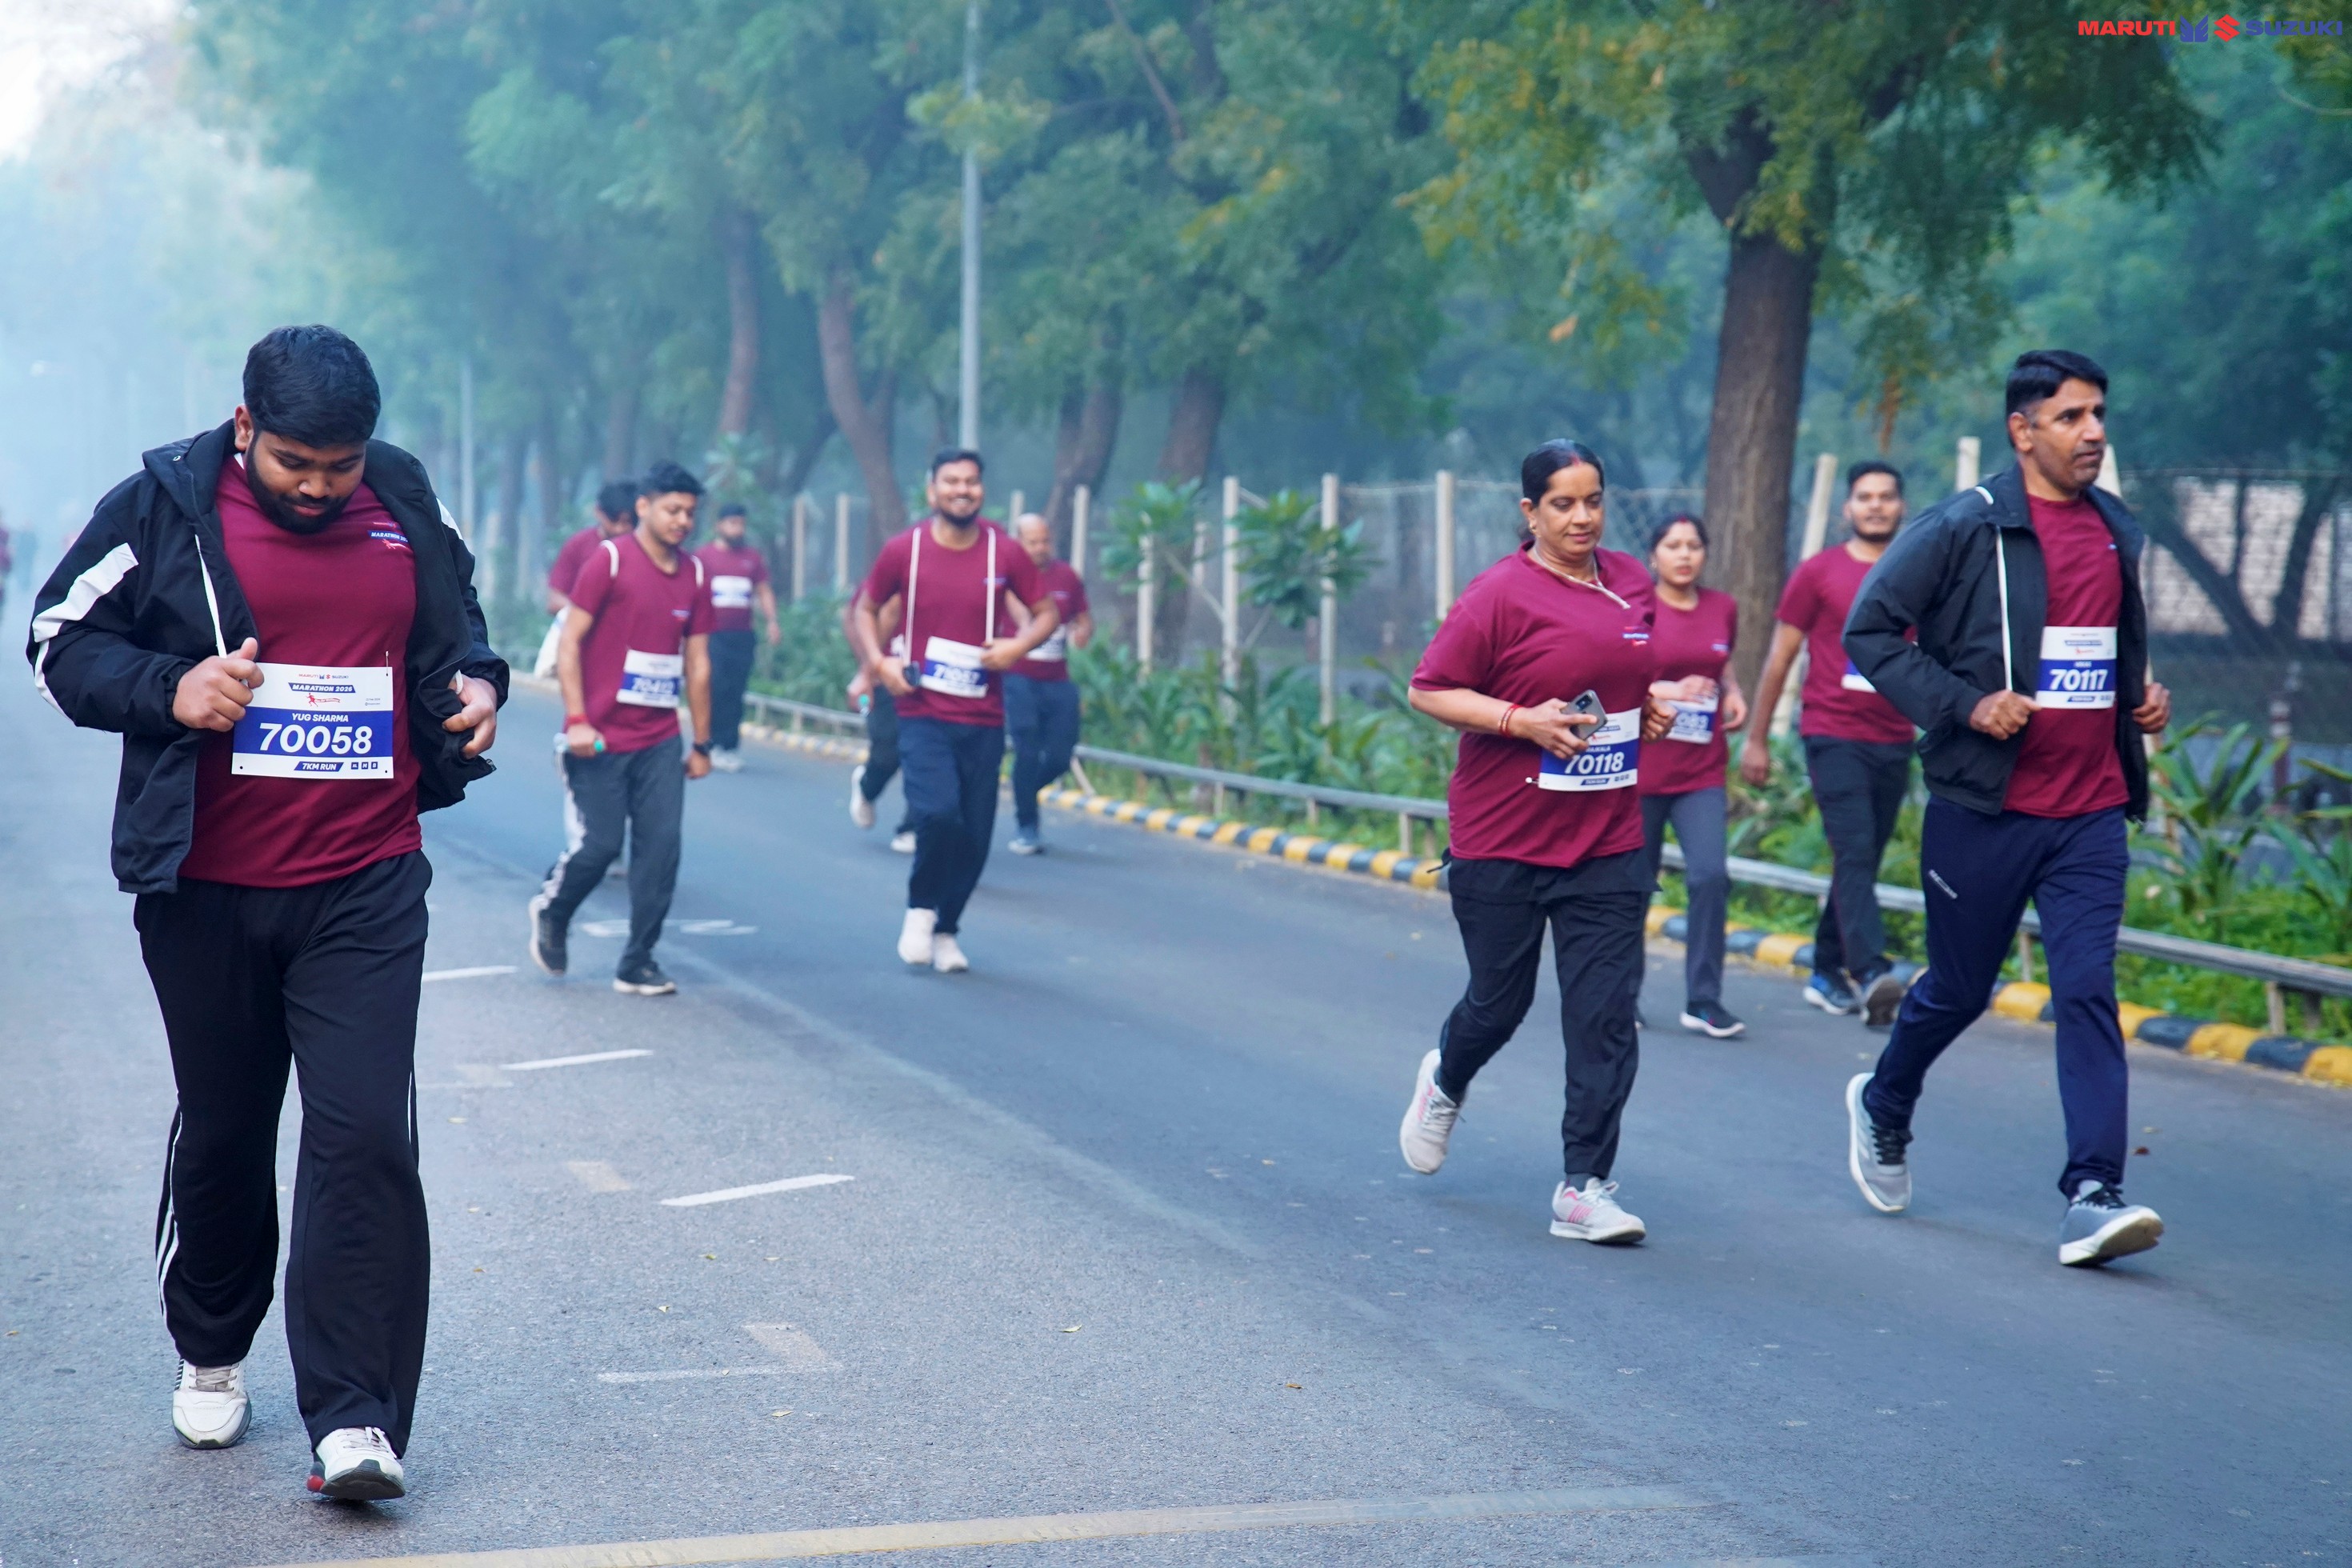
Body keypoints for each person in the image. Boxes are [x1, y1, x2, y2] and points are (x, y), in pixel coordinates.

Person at [26, 326, 506, 1500]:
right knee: (228, 1127)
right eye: (297, 463)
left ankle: (356, 1418)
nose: (321, 486)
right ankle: (211, 1342)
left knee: (367, 1136)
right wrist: (170, 686)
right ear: (246, 428)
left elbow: (459, 627)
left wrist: (479, 686)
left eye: (341, 465)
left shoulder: (403, 498)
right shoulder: (162, 506)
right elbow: (57, 640)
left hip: (366, 877)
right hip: (208, 888)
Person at [1840, 350, 2171, 1268]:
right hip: (1985, 808)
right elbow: (1870, 631)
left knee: (2086, 990)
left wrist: (2139, 698)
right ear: (2022, 431)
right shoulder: (1965, 526)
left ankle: (2093, 1193)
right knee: (1959, 988)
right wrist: (1965, 703)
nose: (2093, 432)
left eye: (2099, 413)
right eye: (2071, 417)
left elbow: (2097, 652)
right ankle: (1884, 1100)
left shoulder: (2115, 529)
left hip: (2090, 810)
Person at [1397, 439, 1679, 1244]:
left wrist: (1648, 706)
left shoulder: (1631, 581)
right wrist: (1520, 720)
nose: (1582, 517)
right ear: (1530, 511)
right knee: (1499, 1003)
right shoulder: (1498, 594)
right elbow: (1428, 689)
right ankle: (1447, 1077)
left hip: (1607, 838)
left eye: (1593, 500)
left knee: (1605, 1016)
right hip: (1503, 838)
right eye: (1563, 504)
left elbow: (1619, 673)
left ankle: (1583, 1187)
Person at [851, 450, 1058, 973]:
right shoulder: (906, 549)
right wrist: (878, 662)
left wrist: (1018, 647)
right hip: (922, 712)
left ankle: (947, 930)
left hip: (983, 717)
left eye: (971, 481)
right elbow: (866, 608)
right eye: (951, 481)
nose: (962, 490)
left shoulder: (1003, 552)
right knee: (937, 813)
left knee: (975, 834)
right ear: (932, 491)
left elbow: (1046, 613)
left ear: (982, 490)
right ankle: (921, 908)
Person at [1739, 461, 1916, 1026]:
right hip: (1832, 733)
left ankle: (1824, 968)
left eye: (1886, 496)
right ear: (1847, 508)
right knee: (1855, 848)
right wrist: (1756, 740)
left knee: (1861, 858)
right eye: (1865, 497)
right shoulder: (1818, 572)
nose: (1875, 506)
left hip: (1895, 736)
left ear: (1901, 506)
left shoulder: (1918, 571)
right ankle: (1870, 971)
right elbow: (1780, 658)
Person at [530, 460, 716, 997]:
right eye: (672, 510)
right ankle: (554, 911)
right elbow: (570, 642)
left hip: (659, 739)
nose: (682, 522)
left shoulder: (695, 574)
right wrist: (577, 719)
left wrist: (702, 742)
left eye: (689, 513)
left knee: (661, 849)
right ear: (644, 507)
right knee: (601, 846)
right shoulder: (609, 561)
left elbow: (698, 663)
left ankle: (637, 962)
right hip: (599, 737)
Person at [1634, 513, 1748, 1039]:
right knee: (1633, 886)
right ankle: (1620, 996)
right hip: (1640, 771)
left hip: (1700, 771)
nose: (1684, 555)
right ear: (1654, 555)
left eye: (1693, 546)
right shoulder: (1636, 607)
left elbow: (1721, 663)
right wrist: (1667, 691)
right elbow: (1614, 676)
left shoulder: (1723, 607)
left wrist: (1734, 693)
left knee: (1710, 877)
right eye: (1673, 545)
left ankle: (1704, 1000)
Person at [1002, 512, 1094, 854]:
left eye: (1045, 541)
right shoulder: (1005, 577)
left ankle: (1024, 790)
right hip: (1017, 676)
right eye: (1033, 542)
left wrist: (1082, 632)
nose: (1041, 548)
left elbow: (1083, 618)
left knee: (1059, 756)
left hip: (1057, 678)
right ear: (1018, 543)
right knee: (1026, 748)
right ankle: (1027, 825)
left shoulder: (1066, 576)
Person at [697, 502, 781, 771]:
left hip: (742, 635)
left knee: (736, 690)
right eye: (732, 523)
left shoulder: (752, 558)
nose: (737, 529)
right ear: (719, 526)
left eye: (741, 524)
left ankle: (729, 746)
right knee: (717, 687)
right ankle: (710, 742)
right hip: (713, 635)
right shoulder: (704, 557)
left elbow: (764, 590)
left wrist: (772, 621)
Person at [534, 481, 638, 678]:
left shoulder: (641, 554)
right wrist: (590, 614)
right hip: (582, 644)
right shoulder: (579, 545)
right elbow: (555, 601)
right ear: (598, 512)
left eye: (628, 522)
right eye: (614, 520)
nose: (620, 529)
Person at [845, 586, 917, 853]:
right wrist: (868, 667)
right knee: (887, 749)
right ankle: (868, 787)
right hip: (884, 676)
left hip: (929, 677)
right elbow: (852, 616)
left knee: (923, 751)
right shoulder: (887, 576)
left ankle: (912, 827)